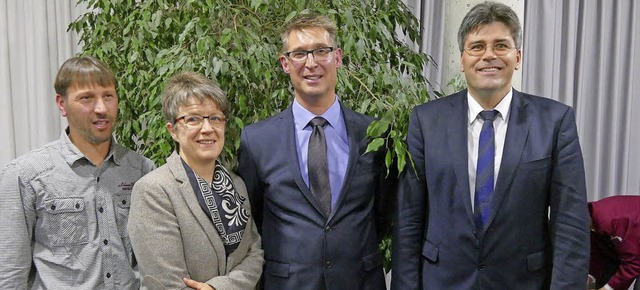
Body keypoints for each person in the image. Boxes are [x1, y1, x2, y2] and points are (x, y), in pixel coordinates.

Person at [392, 2, 590, 289]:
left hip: (523, 282)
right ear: (462, 59)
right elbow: (408, 219)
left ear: (517, 56)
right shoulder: (426, 121)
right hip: (443, 281)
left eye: (500, 45)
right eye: (477, 46)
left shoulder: (555, 122)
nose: (489, 56)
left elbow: (571, 225)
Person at [237, 13, 396, 290]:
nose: (311, 63)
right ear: (285, 64)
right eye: (299, 54)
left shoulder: (376, 134)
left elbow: (383, 214)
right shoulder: (257, 140)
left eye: (321, 51)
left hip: (359, 282)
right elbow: (254, 221)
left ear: (338, 58)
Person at [0, 56, 155, 289]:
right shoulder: (25, 175)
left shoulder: (142, 170)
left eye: (108, 96)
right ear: (62, 104)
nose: (101, 108)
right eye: (87, 98)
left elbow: (151, 263)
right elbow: (11, 275)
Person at [127, 71, 264, 290]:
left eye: (215, 118)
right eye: (193, 119)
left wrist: (217, 288)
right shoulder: (154, 190)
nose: (207, 129)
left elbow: (254, 254)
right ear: (173, 130)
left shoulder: (236, 184)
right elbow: (164, 282)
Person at [588, 195, 640, 290]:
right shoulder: (595, 217)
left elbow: (632, 264)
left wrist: (607, 288)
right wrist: (591, 276)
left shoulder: (616, 221)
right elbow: (598, 254)